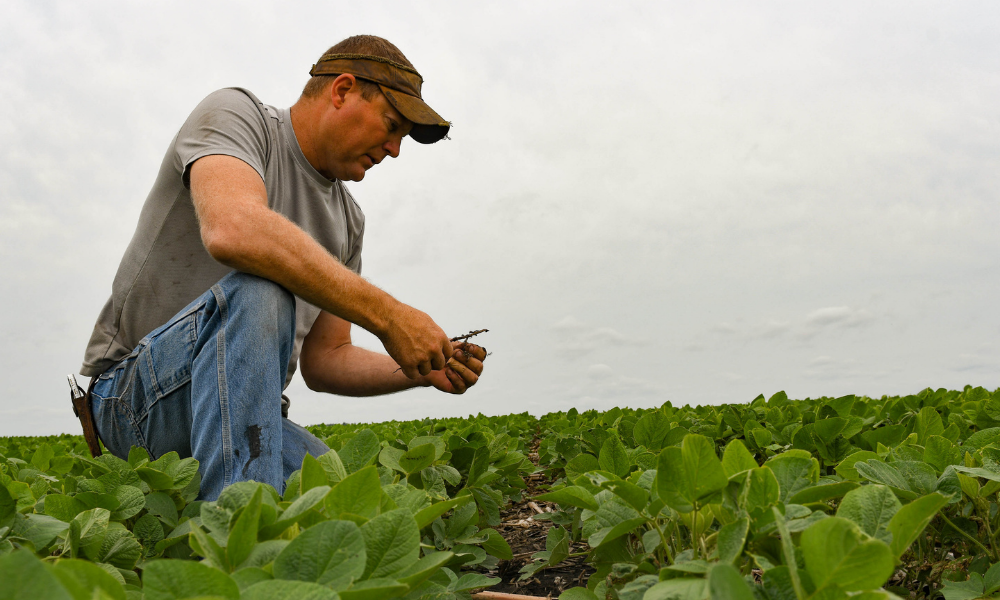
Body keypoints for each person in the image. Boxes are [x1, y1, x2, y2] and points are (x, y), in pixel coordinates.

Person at [78, 35, 487, 500]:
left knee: (353, 503)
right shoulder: (237, 117)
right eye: (391, 125)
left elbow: (326, 361)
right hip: (136, 403)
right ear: (343, 90)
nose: (395, 149)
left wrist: (418, 369)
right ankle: (241, 540)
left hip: (249, 416)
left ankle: (237, 503)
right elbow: (232, 228)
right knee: (263, 289)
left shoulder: (348, 222)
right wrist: (390, 317)